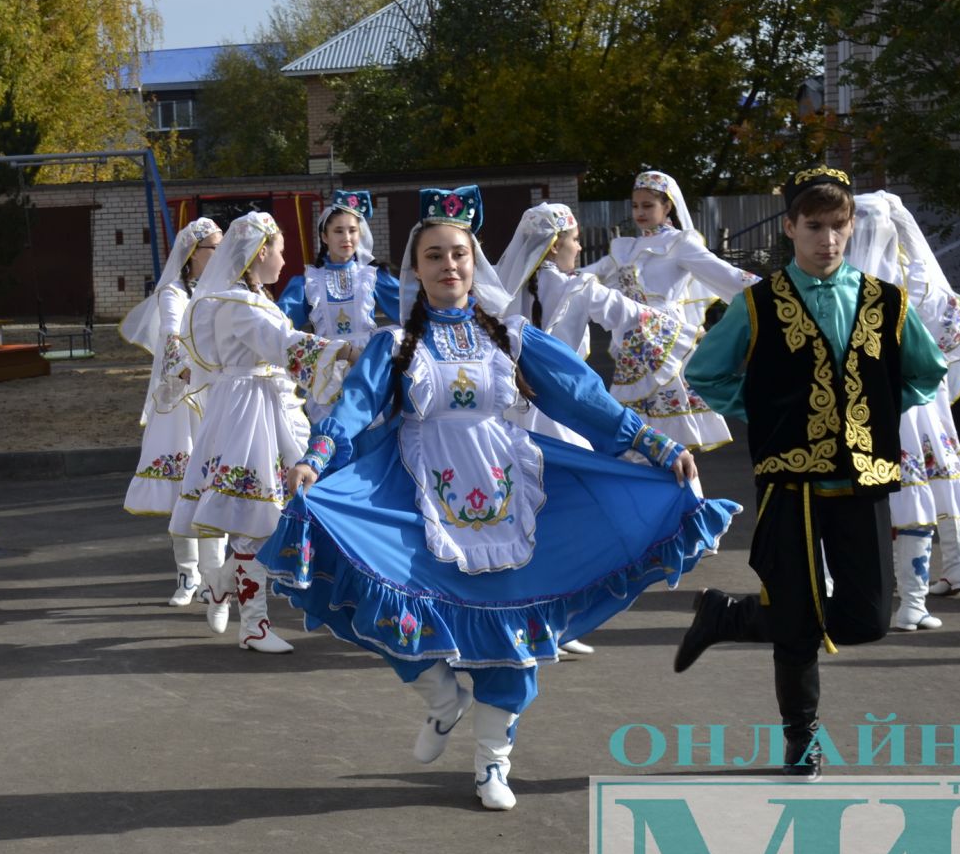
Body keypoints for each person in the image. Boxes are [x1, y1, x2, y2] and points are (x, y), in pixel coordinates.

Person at [263, 186, 736, 810]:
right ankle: (440, 698)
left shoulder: (511, 337)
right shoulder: (393, 343)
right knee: (389, 596)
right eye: (433, 256)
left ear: (474, 261)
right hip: (414, 489)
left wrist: (652, 445)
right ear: (416, 268)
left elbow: (581, 400)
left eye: (458, 253)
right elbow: (353, 411)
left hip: (514, 489)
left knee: (512, 627)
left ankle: (493, 764)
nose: (448, 265)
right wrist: (314, 459)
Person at [673, 168, 947, 780]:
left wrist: (873, 411)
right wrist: (766, 416)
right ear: (791, 227)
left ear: (851, 229)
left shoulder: (886, 301)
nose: (827, 239)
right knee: (795, 617)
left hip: (864, 477)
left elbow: (925, 373)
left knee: (870, 618)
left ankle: (730, 615)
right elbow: (706, 375)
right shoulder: (758, 304)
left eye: (838, 227)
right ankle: (801, 738)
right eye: (814, 226)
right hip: (789, 484)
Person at [492, 202, 697, 657]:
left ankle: (533, 618)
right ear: (553, 246)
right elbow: (635, 319)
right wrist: (693, 331)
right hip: (568, 413)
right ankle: (555, 619)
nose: (581, 247)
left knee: (521, 520)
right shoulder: (580, 288)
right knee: (580, 514)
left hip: (512, 418)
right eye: (575, 239)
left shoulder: (501, 295)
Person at [170, 211, 356, 652]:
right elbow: (284, 345)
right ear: (260, 252)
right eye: (280, 250)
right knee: (257, 519)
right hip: (248, 413)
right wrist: (344, 350)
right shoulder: (239, 306)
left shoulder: (251, 299)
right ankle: (252, 624)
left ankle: (219, 580)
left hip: (267, 405)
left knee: (278, 512)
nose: (284, 258)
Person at [842, 191, 960, 631]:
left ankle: (850, 593)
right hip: (912, 407)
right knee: (917, 500)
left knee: (850, 503)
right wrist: (902, 219)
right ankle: (913, 603)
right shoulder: (913, 283)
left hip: (854, 408)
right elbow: (947, 336)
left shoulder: (836, 284)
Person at [585, 171, 758, 450]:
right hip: (634, 343)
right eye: (635, 206)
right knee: (637, 431)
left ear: (667, 207)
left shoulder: (679, 244)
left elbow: (725, 274)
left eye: (648, 205)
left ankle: (681, 482)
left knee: (671, 432)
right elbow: (591, 277)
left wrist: (776, 291)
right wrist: (550, 276)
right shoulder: (625, 248)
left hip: (666, 339)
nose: (639, 212)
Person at [121, 217, 226, 608]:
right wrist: (195, 365)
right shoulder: (173, 292)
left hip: (216, 397)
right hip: (182, 399)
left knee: (217, 485)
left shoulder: (226, 289)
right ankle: (188, 573)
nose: (219, 254)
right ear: (193, 254)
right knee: (183, 486)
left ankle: (215, 578)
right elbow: (171, 335)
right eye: (214, 247)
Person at [276, 192, 401, 421]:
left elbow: (410, 310)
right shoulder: (308, 281)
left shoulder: (372, 276)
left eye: (352, 230)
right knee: (329, 433)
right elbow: (277, 322)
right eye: (338, 231)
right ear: (324, 236)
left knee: (370, 429)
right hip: (326, 367)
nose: (347, 237)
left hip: (366, 365)